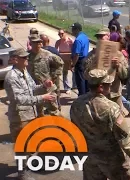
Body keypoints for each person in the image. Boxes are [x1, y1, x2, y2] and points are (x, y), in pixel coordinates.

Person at [70, 69, 130, 180]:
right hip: (112, 159)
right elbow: (123, 137)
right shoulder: (111, 108)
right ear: (100, 87)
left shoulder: (76, 104)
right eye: (108, 84)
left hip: (89, 158)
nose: (110, 86)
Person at [4, 48, 55, 179]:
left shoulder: (24, 71)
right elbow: (19, 99)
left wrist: (44, 85)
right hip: (19, 118)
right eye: (24, 58)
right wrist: (42, 98)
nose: (27, 59)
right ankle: (22, 174)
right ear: (15, 59)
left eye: (27, 57)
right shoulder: (12, 77)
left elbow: (32, 88)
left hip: (30, 114)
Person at [28, 34, 64, 117]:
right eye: (35, 43)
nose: (37, 45)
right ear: (30, 43)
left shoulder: (47, 54)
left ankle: (61, 127)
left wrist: (53, 77)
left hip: (47, 88)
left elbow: (60, 64)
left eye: (39, 43)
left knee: (54, 110)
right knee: (38, 112)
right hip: (35, 89)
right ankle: (42, 128)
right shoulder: (27, 56)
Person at [40, 33, 64, 111]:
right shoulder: (54, 50)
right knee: (56, 92)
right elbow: (60, 63)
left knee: (45, 92)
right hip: (54, 76)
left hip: (45, 77)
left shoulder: (40, 52)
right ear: (48, 41)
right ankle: (58, 106)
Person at [70, 22, 90, 96]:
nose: (72, 30)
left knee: (80, 80)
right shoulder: (85, 37)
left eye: (73, 29)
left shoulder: (78, 40)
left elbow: (76, 54)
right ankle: (87, 94)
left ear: (77, 30)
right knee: (85, 79)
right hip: (86, 59)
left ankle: (82, 96)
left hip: (79, 61)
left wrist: (72, 65)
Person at [55, 29, 76, 94]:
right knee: (65, 73)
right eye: (59, 34)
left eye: (62, 33)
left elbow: (74, 50)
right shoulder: (58, 42)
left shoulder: (70, 41)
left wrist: (73, 59)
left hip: (70, 58)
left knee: (73, 72)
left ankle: (74, 86)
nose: (60, 35)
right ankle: (66, 87)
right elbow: (56, 51)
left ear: (65, 33)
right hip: (62, 59)